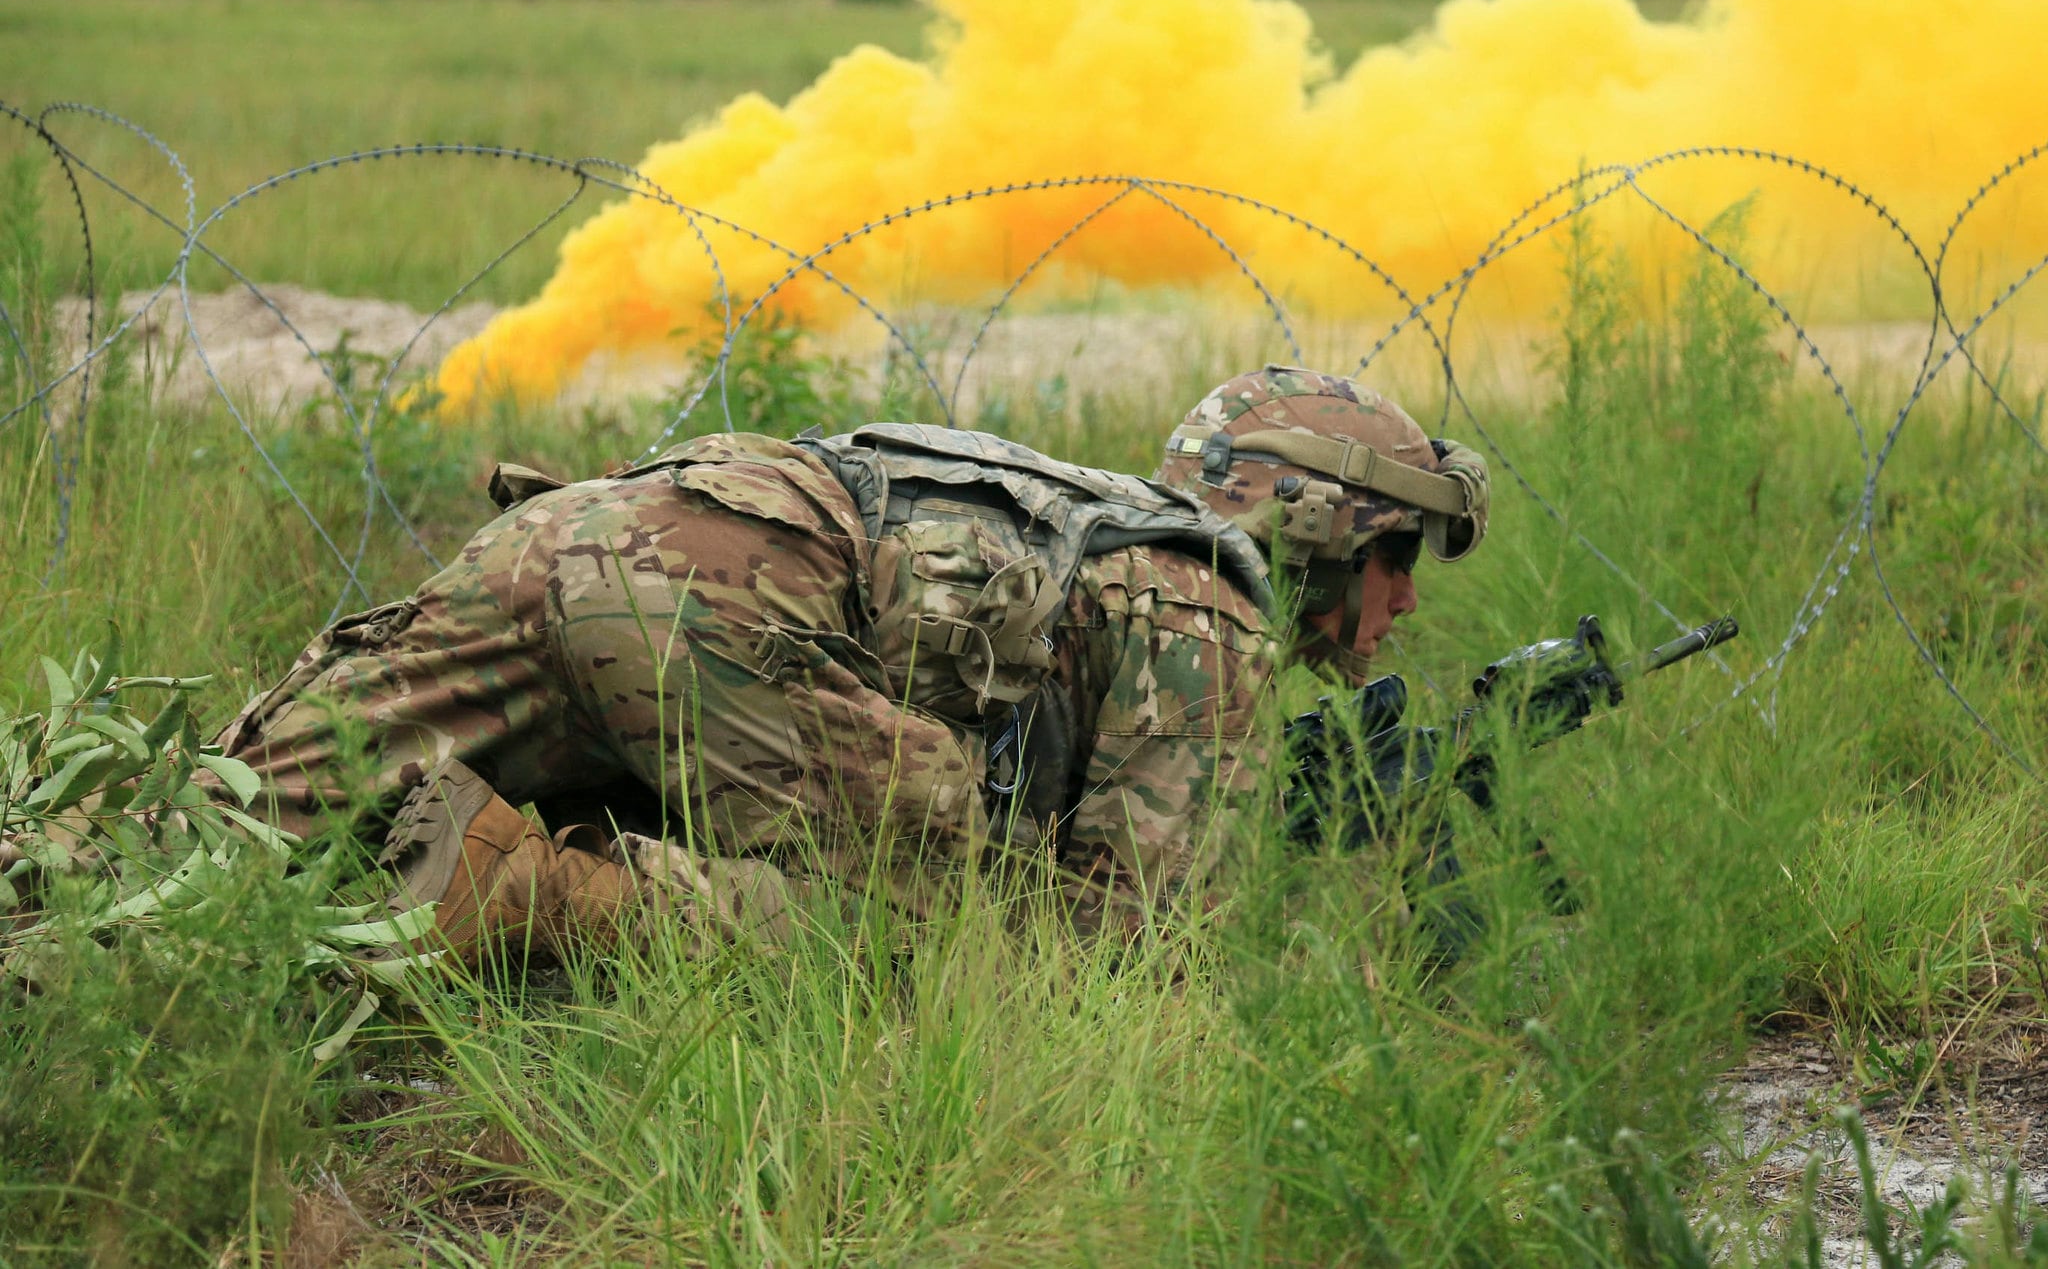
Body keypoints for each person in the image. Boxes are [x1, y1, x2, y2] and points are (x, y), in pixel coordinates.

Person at [204, 365, 1489, 961]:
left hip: (572, 530)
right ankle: (514, 888)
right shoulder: (1211, 609)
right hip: (716, 607)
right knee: (948, 937)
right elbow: (1121, 950)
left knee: (207, 846)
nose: (1404, 606)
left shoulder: (1101, 529)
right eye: (1401, 561)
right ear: (1329, 529)